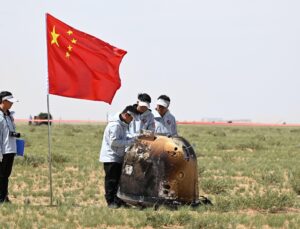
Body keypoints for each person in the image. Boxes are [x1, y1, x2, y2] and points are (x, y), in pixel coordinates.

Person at [99, 105, 138, 208]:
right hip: (111, 157)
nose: (131, 121)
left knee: (118, 181)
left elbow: (124, 137)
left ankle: (118, 201)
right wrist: (130, 142)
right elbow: (114, 142)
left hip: (118, 156)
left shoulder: (122, 124)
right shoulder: (115, 125)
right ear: (126, 115)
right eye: (131, 118)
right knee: (111, 180)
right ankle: (111, 201)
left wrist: (135, 137)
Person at [0, 91, 19, 203]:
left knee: (6, 175)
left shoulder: (9, 115)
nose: (12, 104)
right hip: (2, 151)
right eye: (10, 102)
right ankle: (1, 198)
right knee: (1, 175)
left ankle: (4, 196)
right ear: (3, 101)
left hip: (10, 150)